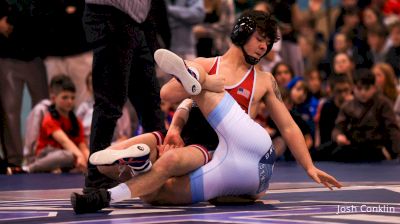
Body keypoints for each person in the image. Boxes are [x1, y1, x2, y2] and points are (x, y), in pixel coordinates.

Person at [70, 10, 341, 214]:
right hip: (185, 132)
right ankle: (142, 166)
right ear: (241, 34)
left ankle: (199, 84)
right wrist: (175, 128)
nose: (264, 47)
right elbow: (166, 96)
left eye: (268, 43)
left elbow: (289, 126)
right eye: (260, 39)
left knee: (169, 166)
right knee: (105, 163)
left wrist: (308, 166)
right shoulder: (208, 62)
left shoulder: (264, 80)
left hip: (215, 146)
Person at [81, 1, 166, 192]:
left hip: (137, 22)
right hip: (110, 16)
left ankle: (162, 170)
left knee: (151, 104)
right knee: (109, 104)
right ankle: (97, 176)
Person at [331, 69, 400, 162]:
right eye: (359, 88)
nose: (363, 92)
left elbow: (392, 129)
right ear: (353, 88)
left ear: (374, 88)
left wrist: (396, 152)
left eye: (367, 88)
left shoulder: (383, 104)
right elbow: (338, 127)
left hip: (377, 147)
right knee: (323, 151)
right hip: (354, 145)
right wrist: (338, 136)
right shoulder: (347, 105)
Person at [24, 75, 89, 173]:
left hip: (67, 156)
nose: (69, 101)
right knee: (68, 156)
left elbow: (82, 146)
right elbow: (64, 141)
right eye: (65, 97)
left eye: (72, 98)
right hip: (46, 155)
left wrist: (90, 161)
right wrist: (79, 156)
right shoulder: (49, 119)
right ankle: (29, 168)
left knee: (82, 161)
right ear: (54, 99)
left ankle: (58, 169)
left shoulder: (77, 122)